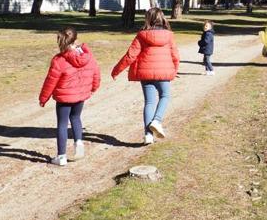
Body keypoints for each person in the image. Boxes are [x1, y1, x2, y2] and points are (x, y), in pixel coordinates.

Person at [111, 8, 180, 144]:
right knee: (165, 96)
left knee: (149, 102)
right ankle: (157, 120)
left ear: (148, 19)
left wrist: (116, 70)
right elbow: (175, 55)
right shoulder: (169, 35)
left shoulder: (142, 35)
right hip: (163, 73)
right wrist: (174, 71)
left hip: (145, 74)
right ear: (162, 18)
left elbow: (131, 55)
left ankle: (148, 135)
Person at [39, 27, 100, 166]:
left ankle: (61, 157)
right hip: (80, 96)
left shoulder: (58, 60)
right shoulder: (87, 56)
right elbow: (95, 72)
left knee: (62, 124)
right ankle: (78, 143)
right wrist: (93, 88)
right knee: (76, 117)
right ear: (76, 39)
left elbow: (50, 81)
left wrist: (43, 98)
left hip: (64, 98)